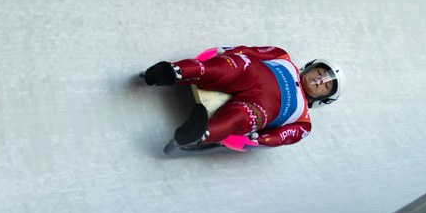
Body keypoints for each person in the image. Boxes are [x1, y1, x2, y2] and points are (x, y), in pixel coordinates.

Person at [142, 46, 341, 149]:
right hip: (251, 71)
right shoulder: (283, 57)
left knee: (242, 117)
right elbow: (251, 52)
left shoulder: (304, 121)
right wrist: (232, 53)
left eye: (326, 85)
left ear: (323, 99)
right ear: (311, 67)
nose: (320, 80)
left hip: (262, 106)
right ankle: (173, 72)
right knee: (229, 67)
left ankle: (202, 131)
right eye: (321, 73)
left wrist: (263, 139)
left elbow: (284, 137)